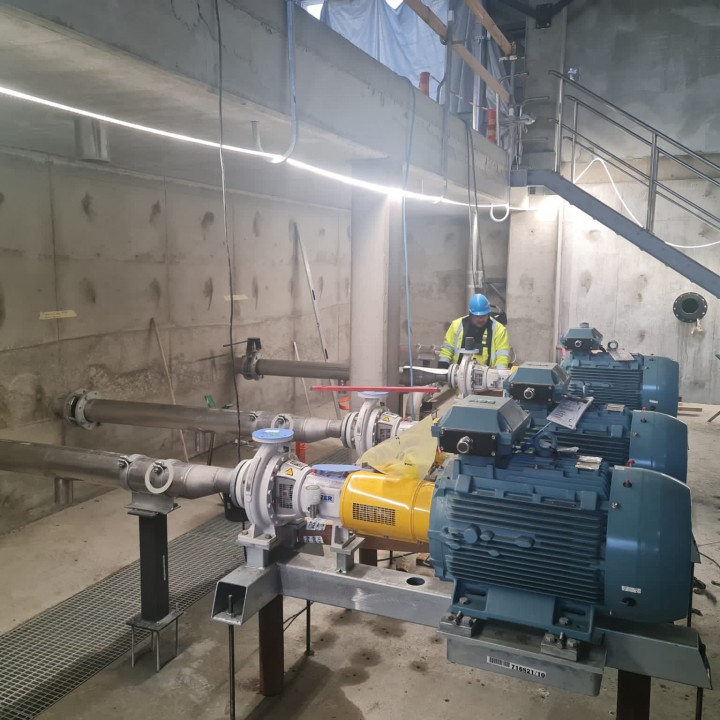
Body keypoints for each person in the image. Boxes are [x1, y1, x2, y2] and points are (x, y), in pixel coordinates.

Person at [438, 293, 510, 369]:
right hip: (458, 373)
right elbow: (447, 349)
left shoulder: (499, 330)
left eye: (483, 316)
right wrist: (442, 367)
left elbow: (502, 356)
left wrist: (499, 373)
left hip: (488, 374)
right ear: (471, 314)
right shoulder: (456, 326)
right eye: (477, 316)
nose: (480, 319)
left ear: (488, 313)